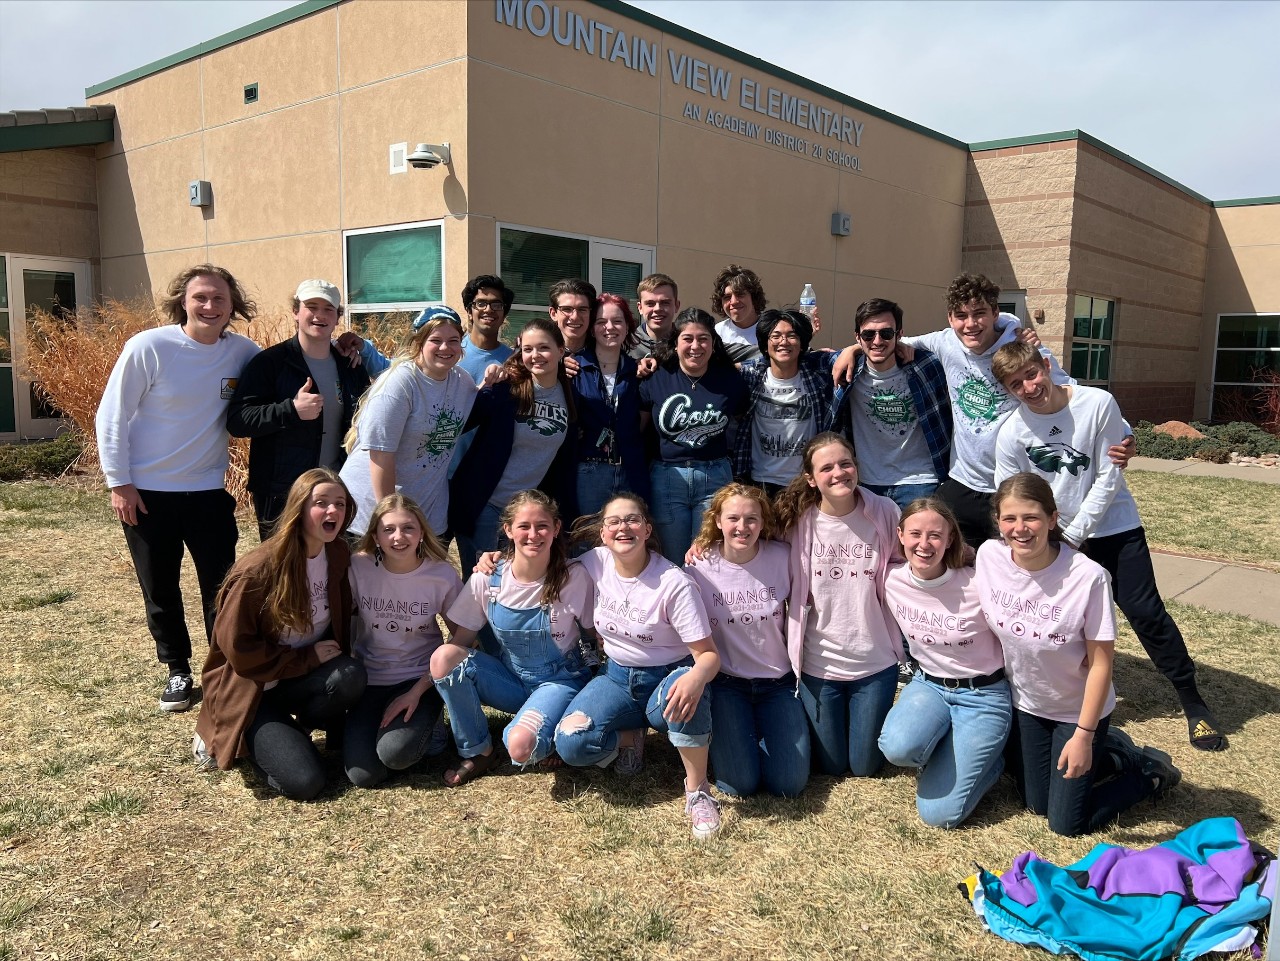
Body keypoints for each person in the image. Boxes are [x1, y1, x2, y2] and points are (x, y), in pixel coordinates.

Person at [992, 340, 1228, 752]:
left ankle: (1192, 702)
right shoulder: (1012, 431)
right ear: (1008, 391)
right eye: (1015, 384)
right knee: (1061, 624)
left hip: (1113, 529)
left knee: (1146, 613)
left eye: (1031, 374)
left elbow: (1108, 474)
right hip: (1055, 537)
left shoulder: (1097, 403)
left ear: (1045, 365)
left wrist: (1075, 533)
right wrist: (1039, 535)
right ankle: (1077, 701)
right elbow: (1008, 490)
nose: (1028, 387)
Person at [831, 274, 1132, 548]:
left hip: (1010, 483)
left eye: (979, 314)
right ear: (950, 318)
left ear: (995, 314)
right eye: (961, 316)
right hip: (961, 481)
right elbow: (886, 341)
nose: (970, 324)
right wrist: (851, 350)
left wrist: (1125, 434)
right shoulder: (944, 342)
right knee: (954, 563)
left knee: (1010, 567)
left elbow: (1072, 393)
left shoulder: (1021, 347)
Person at [976, 473, 1180, 837]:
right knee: (1036, 803)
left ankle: (1145, 772)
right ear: (998, 522)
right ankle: (1111, 753)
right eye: (1009, 519)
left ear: (1052, 519)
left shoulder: (1087, 577)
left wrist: (1084, 734)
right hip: (1027, 705)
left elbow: (1102, 663)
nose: (1020, 529)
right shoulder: (990, 557)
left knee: (1066, 824)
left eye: (1031, 518)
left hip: (1076, 710)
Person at [96, 264, 261, 712]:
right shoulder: (150, 347)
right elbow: (111, 416)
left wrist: (349, 345)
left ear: (232, 306)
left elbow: (283, 371)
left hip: (208, 492)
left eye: (219, 299)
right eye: (200, 298)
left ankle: (221, 664)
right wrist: (120, 482)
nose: (210, 306)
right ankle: (176, 668)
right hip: (147, 493)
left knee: (220, 585)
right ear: (183, 302)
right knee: (160, 587)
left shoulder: (243, 352)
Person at [554, 494, 723, 840]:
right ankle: (631, 736)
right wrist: (494, 561)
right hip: (616, 676)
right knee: (571, 743)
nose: (623, 528)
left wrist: (695, 678)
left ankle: (698, 791)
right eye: (614, 522)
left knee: (683, 695)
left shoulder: (673, 583)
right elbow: (543, 564)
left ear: (647, 529)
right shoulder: (596, 561)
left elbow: (708, 655)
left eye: (632, 520)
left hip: (667, 675)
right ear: (602, 534)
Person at [192, 469, 368, 801]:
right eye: (321, 503)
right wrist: (307, 658)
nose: (333, 511)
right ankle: (235, 736)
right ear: (299, 508)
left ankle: (294, 731)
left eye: (340, 504)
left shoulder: (337, 553)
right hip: (252, 689)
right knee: (306, 782)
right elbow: (238, 651)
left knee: (350, 676)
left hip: (297, 680)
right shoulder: (257, 570)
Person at [431, 490, 596, 785]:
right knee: (444, 658)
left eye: (542, 526)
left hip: (559, 682)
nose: (533, 534)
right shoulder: (487, 578)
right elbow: (461, 642)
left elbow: (597, 635)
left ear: (556, 528)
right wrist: (424, 686)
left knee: (520, 747)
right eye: (524, 526)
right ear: (508, 530)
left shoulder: (574, 577)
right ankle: (479, 750)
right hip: (511, 679)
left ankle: (552, 732)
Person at [877, 498, 1011, 828]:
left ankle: (993, 761)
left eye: (935, 535)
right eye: (915, 534)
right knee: (895, 748)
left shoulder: (979, 584)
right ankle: (950, 750)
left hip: (983, 696)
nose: (924, 544)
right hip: (929, 686)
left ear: (951, 538)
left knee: (939, 816)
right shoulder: (890, 579)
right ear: (900, 536)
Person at [775, 433, 902, 777]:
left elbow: (912, 562)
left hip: (874, 663)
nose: (838, 473)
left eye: (845, 463)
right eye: (826, 467)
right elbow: (746, 548)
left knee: (863, 767)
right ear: (811, 479)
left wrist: (961, 557)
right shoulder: (795, 522)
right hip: (820, 666)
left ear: (856, 467)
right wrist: (702, 546)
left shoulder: (886, 512)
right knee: (830, 766)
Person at [685, 484, 808, 798]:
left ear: (764, 522)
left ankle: (767, 735)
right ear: (718, 521)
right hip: (728, 684)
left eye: (752, 519)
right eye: (733, 518)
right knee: (738, 785)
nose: (743, 527)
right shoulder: (699, 566)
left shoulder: (782, 557)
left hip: (778, 682)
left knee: (788, 786)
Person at [228, 279, 371, 540]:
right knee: (284, 572)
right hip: (283, 491)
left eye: (328, 309)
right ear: (296, 311)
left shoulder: (350, 366)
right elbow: (238, 420)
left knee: (332, 569)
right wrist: (291, 410)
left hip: (335, 490)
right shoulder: (270, 363)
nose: (319, 315)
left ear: (338, 317)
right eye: (311, 306)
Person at [343, 493, 461, 788]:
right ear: (375, 535)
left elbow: (463, 637)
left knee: (395, 754)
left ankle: (431, 724)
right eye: (389, 529)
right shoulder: (358, 567)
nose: (399, 537)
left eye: (408, 528)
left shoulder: (440, 574)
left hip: (418, 679)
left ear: (422, 532)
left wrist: (421, 687)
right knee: (363, 776)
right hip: (369, 679)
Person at [449, 318, 578, 574]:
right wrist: (486, 384)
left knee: (517, 586)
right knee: (482, 584)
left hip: (525, 515)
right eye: (527, 349)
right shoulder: (508, 389)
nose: (535, 355)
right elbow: (460, 419)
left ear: (560, 351)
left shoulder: (570, 395)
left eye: (543, 348)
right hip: (485, 505)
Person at [339, 306, 477, 538]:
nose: (445, 347)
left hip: (426, 513)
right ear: (418, 342)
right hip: (371, 515)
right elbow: (380, 456)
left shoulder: (462, 382)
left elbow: (476, 406)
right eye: (436, 340)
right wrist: (390, 518)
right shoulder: (401, 383)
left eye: (453, 340)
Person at [639, 308, 748, 565]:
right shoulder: (656, 377)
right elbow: (639, 429)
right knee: (672, 560)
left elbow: (744, 423)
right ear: (675, 343)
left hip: (715, 477)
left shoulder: (731, 380)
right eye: (687, 339)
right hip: (667, 478)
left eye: (703, 339)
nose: (695, 346)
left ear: (713, 343)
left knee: (709, 560)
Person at [830, 298, 951, 511]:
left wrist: (1011, 328)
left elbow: (966, 344)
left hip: (919, 481)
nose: (877, 341)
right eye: (868, 334)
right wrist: (851, 351)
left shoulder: (926, 365)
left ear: (899, 334)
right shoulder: (848, 369)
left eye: (886, 333)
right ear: (858, 337)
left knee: (918, 545)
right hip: (866, 482)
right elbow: (795, 356)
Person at [733, 308, 837, 499]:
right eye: (776, 336)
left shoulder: (818, 375)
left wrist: (854, 349)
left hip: (804, 483)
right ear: (765, 343)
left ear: (802, 343)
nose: (784, 342)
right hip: (759, 483)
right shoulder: (752, 376)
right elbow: (715, 366)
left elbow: (860, 356)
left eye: (792, 336)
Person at [572, 292, 650, 516]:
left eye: (617, 321)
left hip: (631, 470)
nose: (610, 327)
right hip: (589, 471)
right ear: (591, 328)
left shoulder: (638, 371)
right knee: (588, 540)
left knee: (629, 540)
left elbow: (642, 420)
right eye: (601, 322)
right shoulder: (574, 368)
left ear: (627, 326)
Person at [711, 263, 767, 364]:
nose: (734, 302)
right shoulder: (716, 333)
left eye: (740, 294)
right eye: (727, 297)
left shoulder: (771, 330)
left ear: (753, 297)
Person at [629, 273, 682, 361]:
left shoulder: (687, 344)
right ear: (640, 308)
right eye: (650, 304)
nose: (657, 309)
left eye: (665, 303)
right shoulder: (627, 345)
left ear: (676, 306)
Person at [548, 278, 597, 355]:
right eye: (567, 309)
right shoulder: (539, 354)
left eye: (582, 309)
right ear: (553, 314)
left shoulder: (605, 356)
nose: (575, 317)